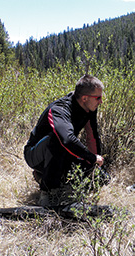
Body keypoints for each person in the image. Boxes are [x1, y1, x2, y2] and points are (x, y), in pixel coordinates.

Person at [24, 74, 106, 206]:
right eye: (98, 98)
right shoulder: (60, 109)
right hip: (35, 155)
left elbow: (92, 136)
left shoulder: (90, 107)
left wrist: (94, 164)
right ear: (85, 98)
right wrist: (91, 157)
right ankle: (47, 191)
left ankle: (45, 177)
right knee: (58, 139)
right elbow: (67, 140)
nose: (101, 101)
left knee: (101, 178)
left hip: (61, 153)